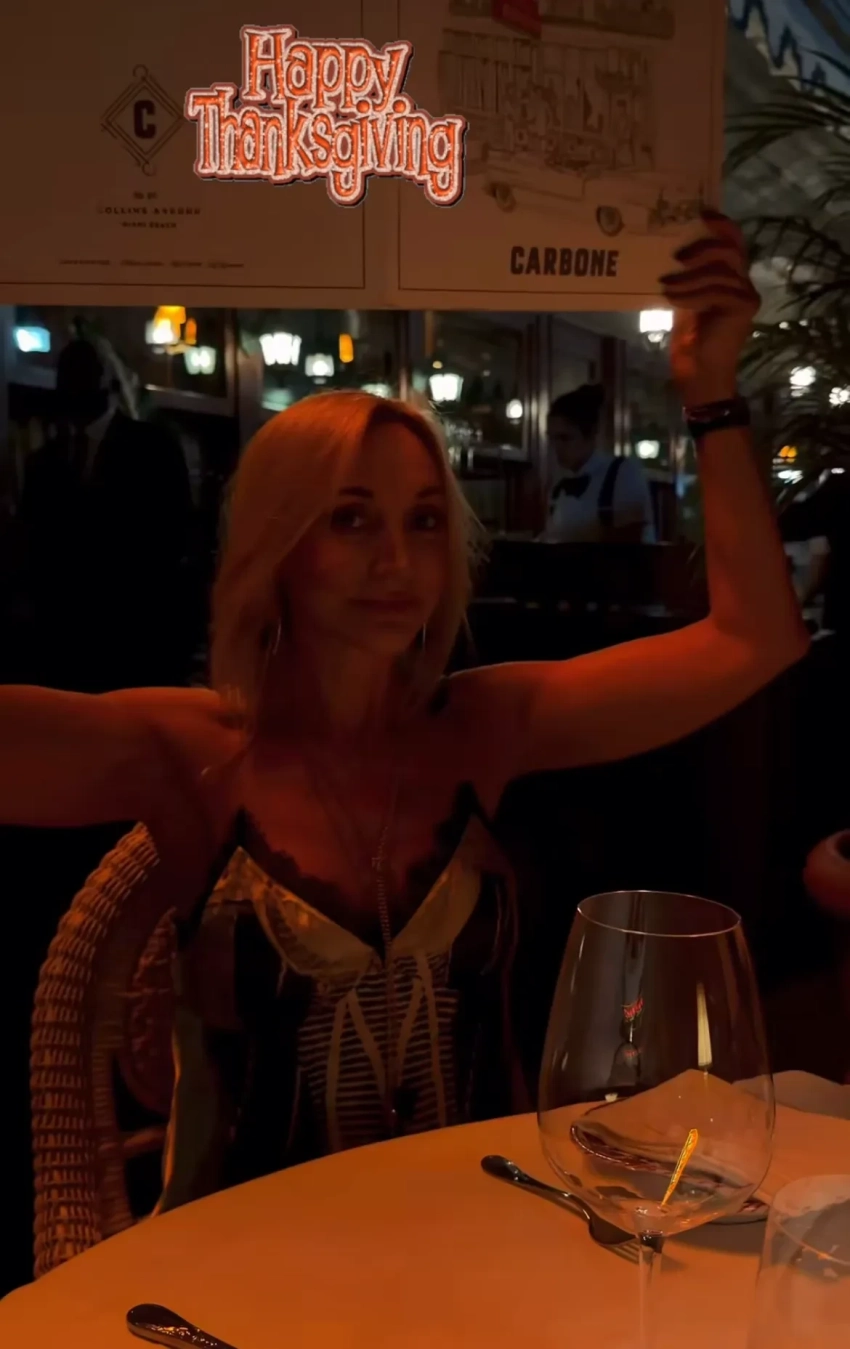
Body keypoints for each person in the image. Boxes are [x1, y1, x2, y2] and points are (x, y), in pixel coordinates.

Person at [0, 214, 808, 1209]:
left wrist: (711, 392)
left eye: (424, 521)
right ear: (278, 545)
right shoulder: (187, 749)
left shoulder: (483, 724)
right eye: (351, 518)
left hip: (484, 1232)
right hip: (243, 1262)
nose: (396, 560)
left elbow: (753, 640)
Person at [18, 336, 194, 691]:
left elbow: (174, 541)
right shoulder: (43, 463)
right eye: (67, 374)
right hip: (63, 648)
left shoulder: (152, 447)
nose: (73, 384)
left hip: (135, 641)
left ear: (108, 380)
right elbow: (34, 551)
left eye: (84, 372)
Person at [541, 383, 656, 543]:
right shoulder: (558, 486)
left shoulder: (623, 474)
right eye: (552, 438)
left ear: (591, 434)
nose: (556, 447)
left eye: (565, 438)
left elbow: (631, 542)